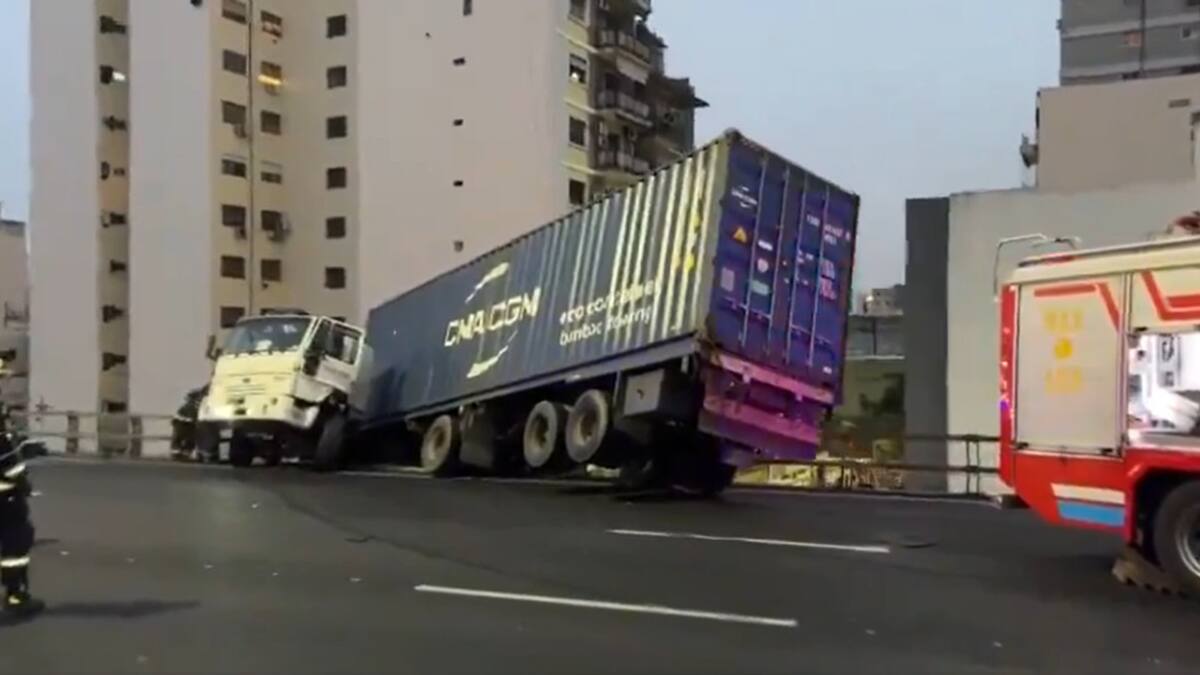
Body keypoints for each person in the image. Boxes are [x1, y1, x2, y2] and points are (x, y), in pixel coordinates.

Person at [0, 405, 42, 616]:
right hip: (5, 499)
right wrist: (23, 483)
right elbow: (8, 463)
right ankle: (15, 595)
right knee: (16, 543)